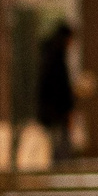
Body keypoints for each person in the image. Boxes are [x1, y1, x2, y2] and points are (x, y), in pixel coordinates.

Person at [35, 22, 78, 162]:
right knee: (59, 148)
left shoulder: (48, 55)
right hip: (56, 112)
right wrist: (68, 109)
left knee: (55, 145)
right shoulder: (57, 58)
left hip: (50, 111)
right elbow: (61, 88)